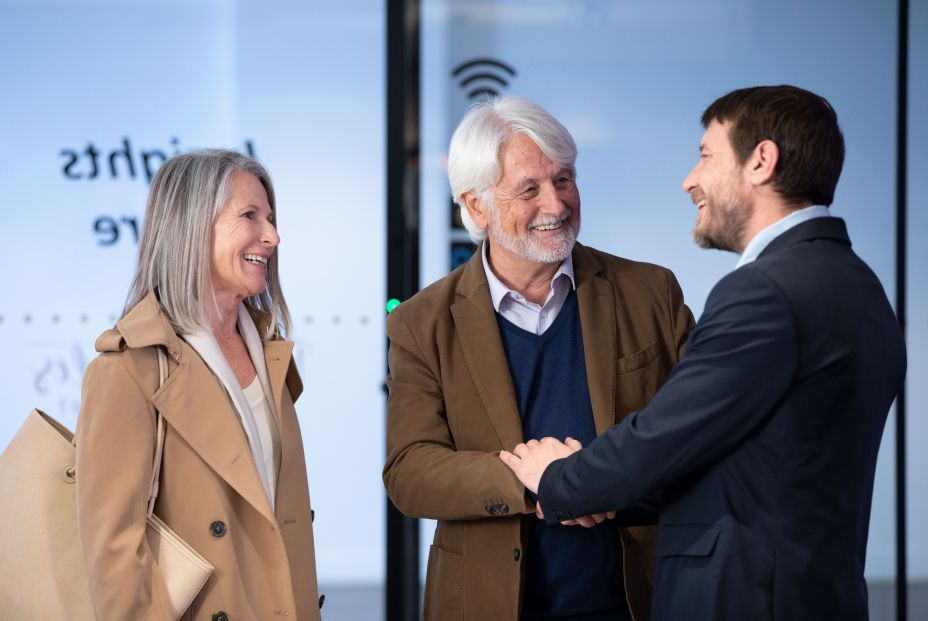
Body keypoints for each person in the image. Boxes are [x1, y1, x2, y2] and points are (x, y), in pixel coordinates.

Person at [501, 85, 907, 621]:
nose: (690, 179)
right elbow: (735, 459)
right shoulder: (857, 284)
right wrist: (615, 494)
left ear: (761, 161)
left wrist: (560, 479)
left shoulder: (766, 292)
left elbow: (666, 435)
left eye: (706, 156)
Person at [383, 96, 693, 621]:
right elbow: (411, 472)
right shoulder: (422, 321)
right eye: (529, 189)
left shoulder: (650, 292)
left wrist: (596, 481)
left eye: (564, 180)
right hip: (486, 604)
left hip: (640, 599)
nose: (556, 204)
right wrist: (539, 484)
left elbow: (700, 436)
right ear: (476, 206)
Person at [75, 150, 322, 620]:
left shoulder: (270, 354)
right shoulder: (127, 371)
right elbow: (114, 557)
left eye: (270, 217)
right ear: (190, 227)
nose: (272, 236)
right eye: (249, 215)